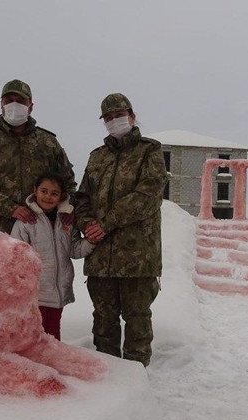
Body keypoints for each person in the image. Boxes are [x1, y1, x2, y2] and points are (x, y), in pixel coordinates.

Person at [74, 93, 167, 367]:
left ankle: (137, 379)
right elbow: (82, 198)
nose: (115, 121)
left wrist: (106, 223)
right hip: (101, 257)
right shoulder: (97, 157)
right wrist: (87, 224)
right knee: (103, 323)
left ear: (132, 115)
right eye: (109, 117)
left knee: (137, 320)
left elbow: (147, 195)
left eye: (120, 114)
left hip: (137, 258)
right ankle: (108, 380)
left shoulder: (150, 151)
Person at [0, 79, 76, 233]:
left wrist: (67, 208)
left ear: (30, 107)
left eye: (21, 101)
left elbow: (67, 182)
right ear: (1, 104)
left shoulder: (48, 142)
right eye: (9, 100)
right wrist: (10, 208)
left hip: (38, 232)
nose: (14, 105)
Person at [10, 172, 94, 340]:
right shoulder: (26, 221)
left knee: (53, 336)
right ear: (35, 191)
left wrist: (91, 241)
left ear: (62, 196)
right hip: (36, 294)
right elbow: (16, 256)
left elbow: (74, 250)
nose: (48, 197)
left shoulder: (66, 221)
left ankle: (52, 363)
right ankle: (35, 365)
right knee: (34, 336)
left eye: (54, 193)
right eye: (44, 191)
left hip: (58, 291)